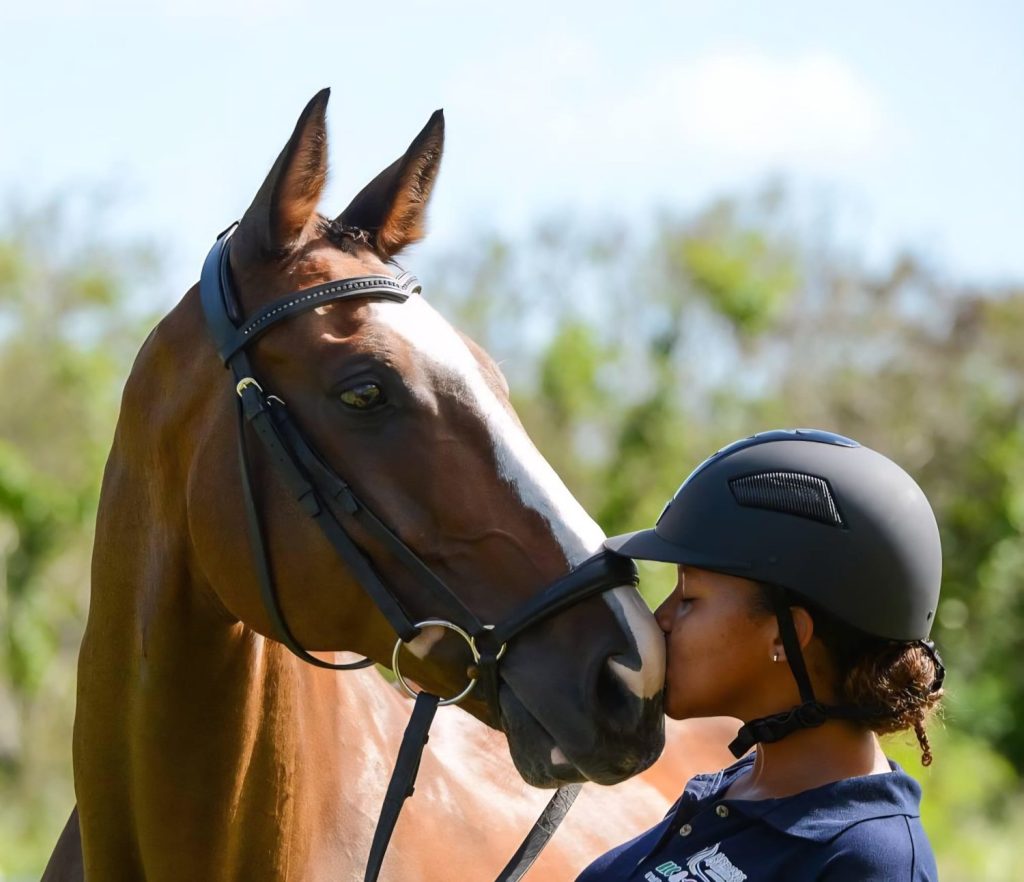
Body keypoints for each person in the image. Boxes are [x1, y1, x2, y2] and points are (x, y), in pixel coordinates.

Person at [577, 429, 945, 882]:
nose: (661, 618)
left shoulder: (872, 862)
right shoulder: (734, 795)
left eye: (689, 596)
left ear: (785, 634)